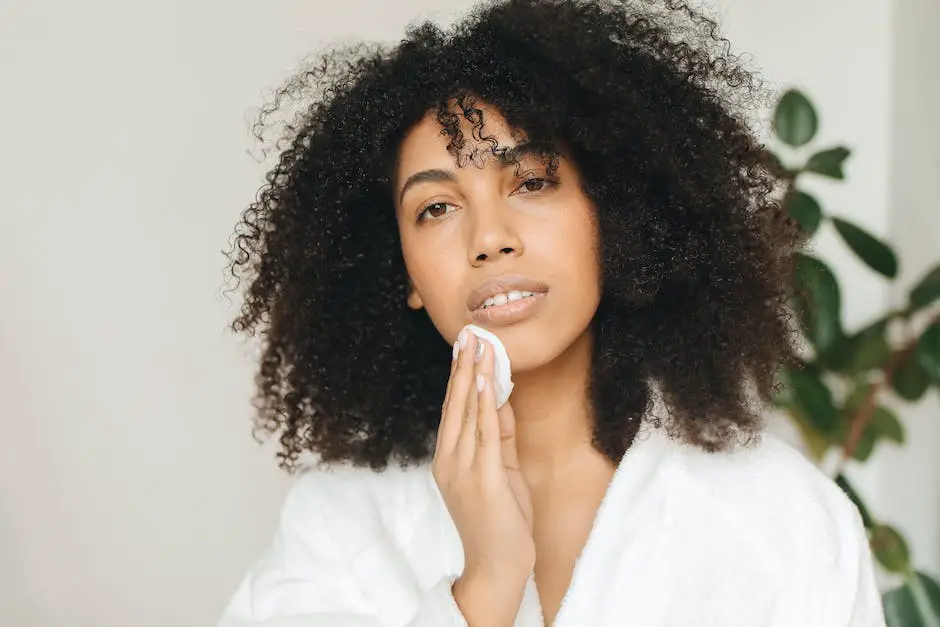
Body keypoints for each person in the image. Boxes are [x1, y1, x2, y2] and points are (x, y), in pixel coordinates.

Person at [218, 1, 885, 625]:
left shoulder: (781, 518)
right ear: (403, 270)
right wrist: (485, 584)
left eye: (532, 181)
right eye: (436, 208)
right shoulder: (337, 524)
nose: (489, 237)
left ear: (613, 212)